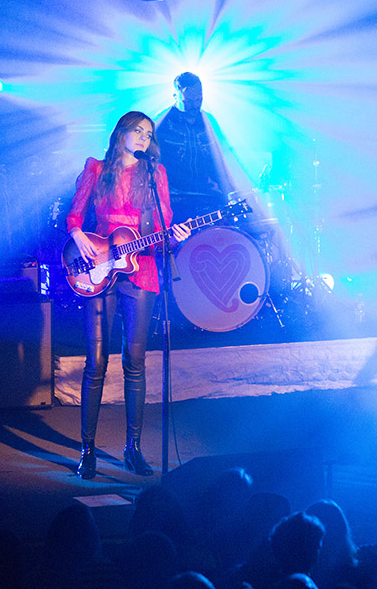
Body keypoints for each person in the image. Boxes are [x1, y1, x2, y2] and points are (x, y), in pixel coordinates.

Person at [67, 111, 192, 479]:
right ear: (121, 133)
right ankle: (87, 451)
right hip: (99, 266)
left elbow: (165, 226)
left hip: (142, 268)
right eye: (137, 130)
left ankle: (132, 449)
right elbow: (74, 219)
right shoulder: (95, 169)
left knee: (135, 362)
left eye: (148, 133)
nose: (142, 137)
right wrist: (79, 240)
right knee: (95, 363)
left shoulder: (155, 174)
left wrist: (176, 235)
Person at [155, 72, 234, 219]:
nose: (195, 105)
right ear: (175, 96)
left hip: (208, 197)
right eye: (188, 101)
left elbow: (222, 160)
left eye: (199, 99)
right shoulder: (162, 123)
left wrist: (228, 192)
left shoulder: (209, 121)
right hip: (174, 200)